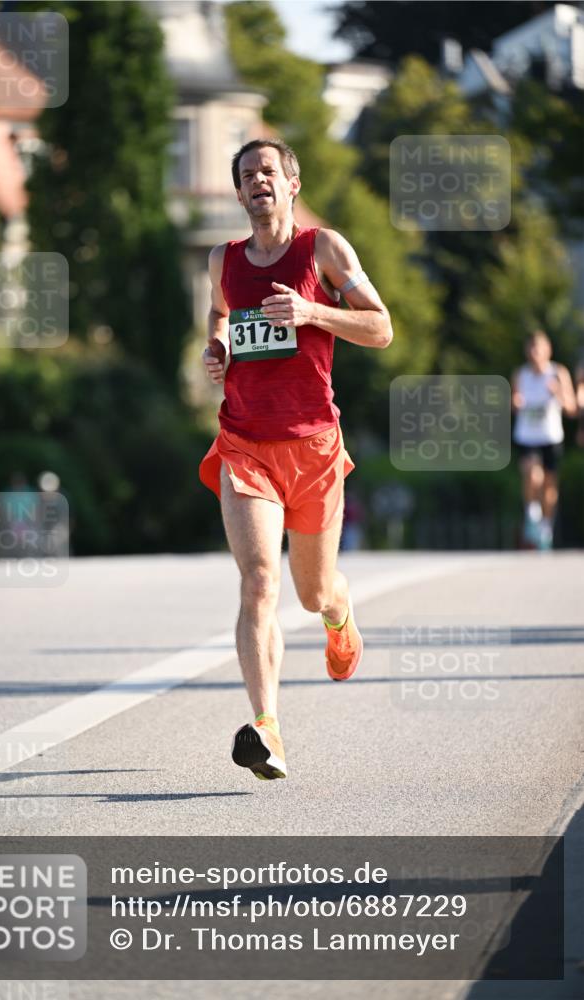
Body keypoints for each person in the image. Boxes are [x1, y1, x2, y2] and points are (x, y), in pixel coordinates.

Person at [199, 139, 393, 780]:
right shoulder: (222, 260)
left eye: (269, 172)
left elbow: (382, 327)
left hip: (313, 447)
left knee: (312, 593)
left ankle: (341, 617)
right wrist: (217, 349)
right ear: (239, 193)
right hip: (244, 445)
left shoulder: (324, 250)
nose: (259, 181)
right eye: (247, 175)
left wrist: (312, 311)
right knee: (259, 581)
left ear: (291, 183)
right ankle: (268, 728)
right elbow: (219, 314)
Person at [511, 331, 576, 550]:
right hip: (528, 436)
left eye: (538, 348)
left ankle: (546, 527)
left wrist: (558, 392)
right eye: (530, 348)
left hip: (550, 436)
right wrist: (516, 402)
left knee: (549, 485)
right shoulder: (521, 374)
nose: (534, 353)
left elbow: (572, 408)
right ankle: (532, 513)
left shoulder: (558, 373)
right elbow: (514, 402)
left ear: (547, 350)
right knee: (532, 474)